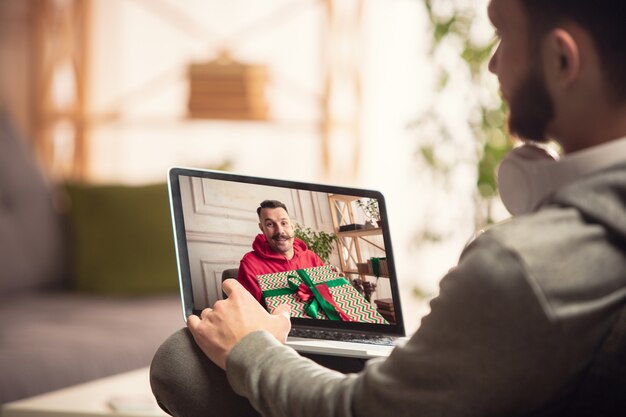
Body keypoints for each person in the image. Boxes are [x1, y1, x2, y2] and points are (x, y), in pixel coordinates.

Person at [150, 0, 626, 416]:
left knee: (180, 362)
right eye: (270, 223)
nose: (493, 64)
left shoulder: (519, 265)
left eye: (503, 32)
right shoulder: (255, 265)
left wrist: (251, 349)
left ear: (562, 58)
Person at [237, 199, 325, 303]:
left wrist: (337, 281)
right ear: (262, 229)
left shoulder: (311, 257)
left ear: (292, 226)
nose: (280, 231)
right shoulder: (250, 264)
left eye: (284, 223)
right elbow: (248, 310)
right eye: (270, 224)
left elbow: (329, 297)